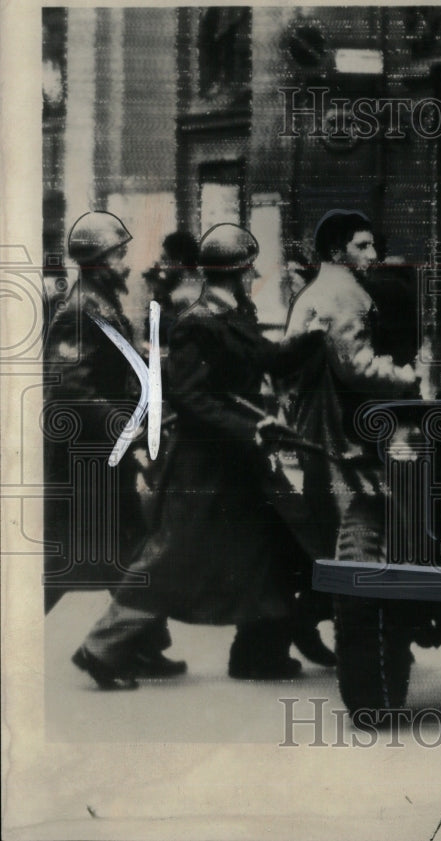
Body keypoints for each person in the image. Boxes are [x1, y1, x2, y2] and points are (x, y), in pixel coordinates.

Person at [72, 223, 322, 689]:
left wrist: (312, 338)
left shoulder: (233, 314)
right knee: (170, 560)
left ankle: (259, 653)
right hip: (203, 466)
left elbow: (266, 358)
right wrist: (252, 428)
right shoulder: (199, 323)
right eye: (251, 270)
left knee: (264, 547)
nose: (254, 278)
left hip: (235, 463)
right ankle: (102, 649)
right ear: (241, 271)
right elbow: (191, 398)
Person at [44, 212, 185, 676]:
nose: (128, 264)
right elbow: (71, 389)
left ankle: (139, 643)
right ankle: (116, 648)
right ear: (99, 261)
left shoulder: (99, 303)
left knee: (128, 544)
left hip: (102, 452)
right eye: (120, 254)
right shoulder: (80, 309)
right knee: (65, 557)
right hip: (84, 458)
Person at [283, 210, 418, 578]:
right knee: (358, 510)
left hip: (318, 415)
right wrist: (404, 376)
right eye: (362, 245)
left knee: (330, 509)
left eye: (372, 244)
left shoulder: (320, 289)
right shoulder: (343, 292)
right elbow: (355, 366)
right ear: (336, 251)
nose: (372, 254)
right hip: (338, 421)